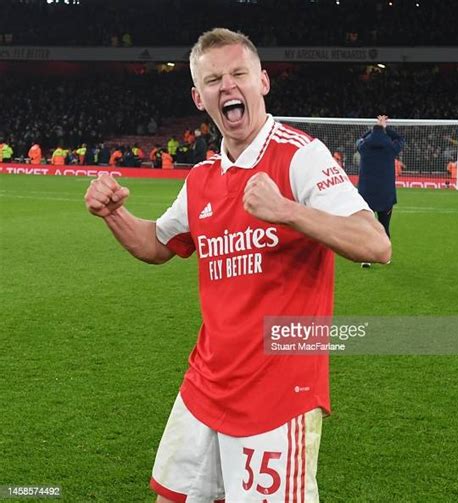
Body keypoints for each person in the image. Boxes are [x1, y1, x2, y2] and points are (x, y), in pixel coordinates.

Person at [84, 28, 390, 502]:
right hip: (206, 385)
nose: (227, 86)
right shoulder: (202, 177)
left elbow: (376, 244)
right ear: (198, 96)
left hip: (278, 392)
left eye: (238, 73)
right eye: (213, 80)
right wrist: (113, 213)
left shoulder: (301, 156)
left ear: (262, 81)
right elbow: (156, 245)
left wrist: (288, 210)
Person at [356, 115, 404, 268]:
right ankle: (385, 257)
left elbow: (360, 139)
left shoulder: (363, 147)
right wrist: (385, 128)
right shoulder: (390, 148)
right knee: (384, 227)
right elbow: (400, 139)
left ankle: (366, 257)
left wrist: (375, 128)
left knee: (366, 227)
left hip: (366, 195)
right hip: (385, 195)